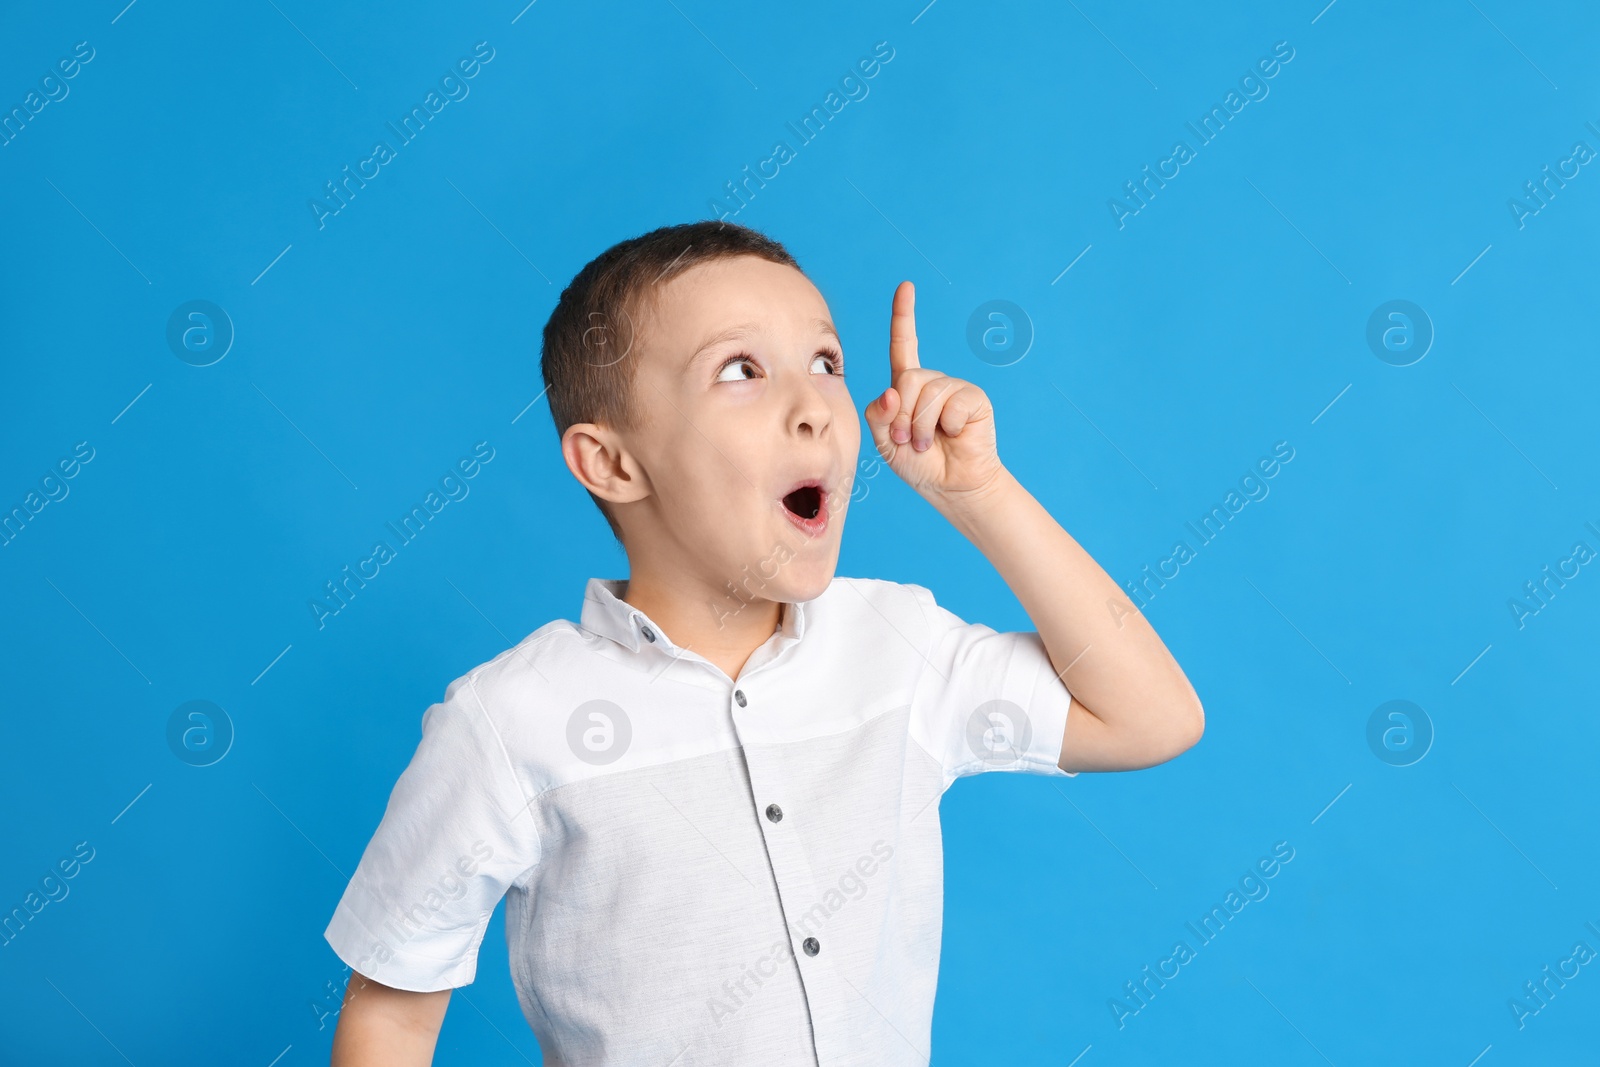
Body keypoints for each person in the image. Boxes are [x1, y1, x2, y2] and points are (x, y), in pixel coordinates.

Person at [324, 220, 1204, 1065]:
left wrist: (979, 491)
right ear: (613, 463)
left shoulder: (898, 645)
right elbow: (395, 1004)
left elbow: (1152, 718)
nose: (815, 407)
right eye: (741, 369)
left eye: (826, 361)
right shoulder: (511, 720)